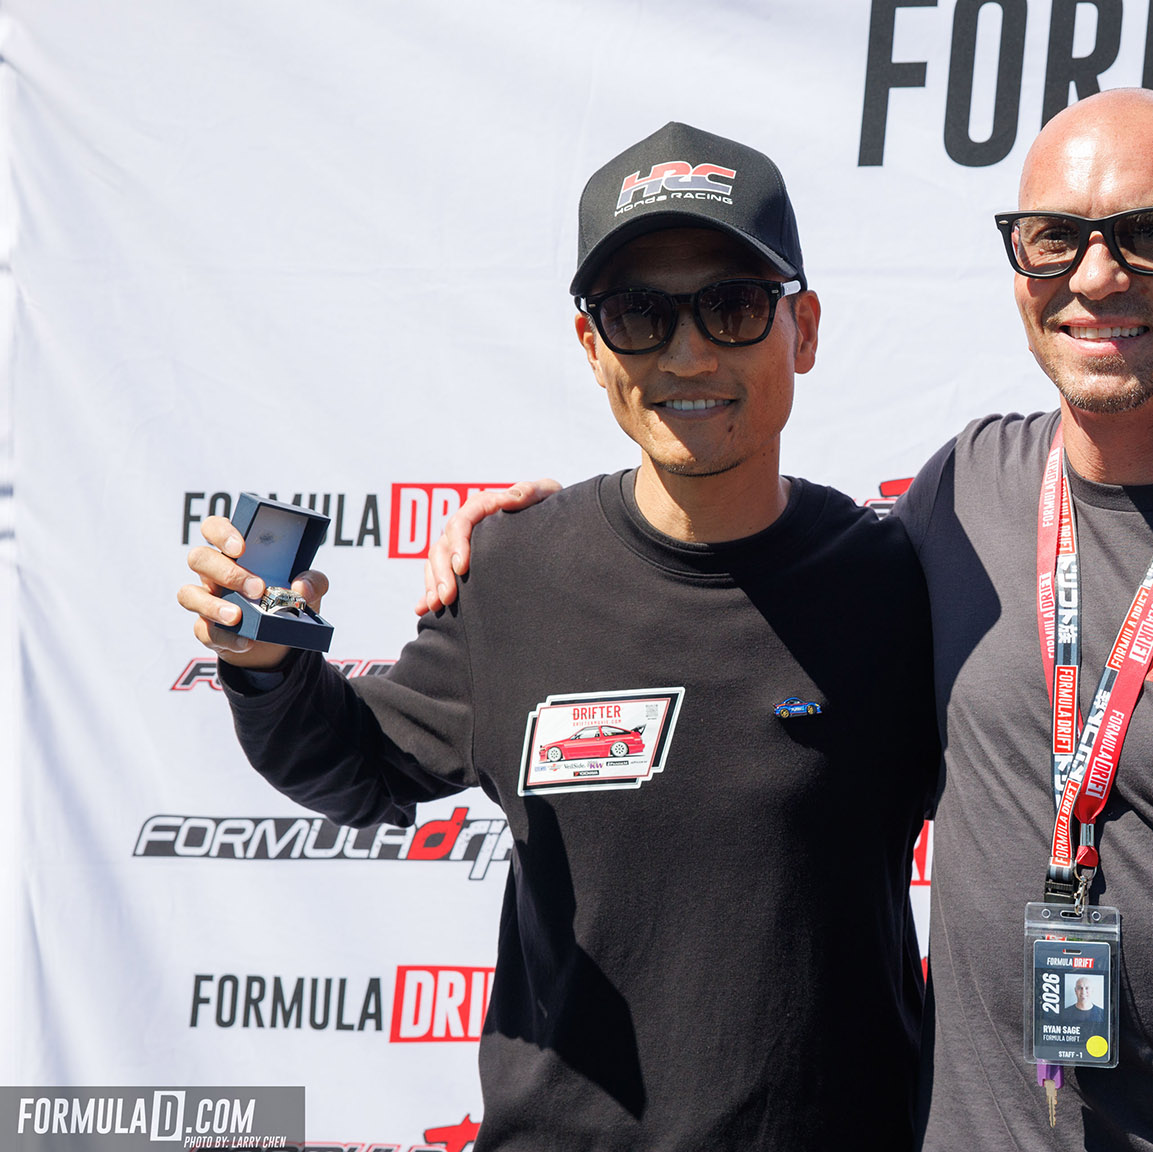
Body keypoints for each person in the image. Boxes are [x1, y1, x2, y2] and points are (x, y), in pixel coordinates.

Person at [425, 91, 1153, 1151]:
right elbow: (736, 577)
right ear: (1017, 269)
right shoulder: (963, 497)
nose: (1097, 276)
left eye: (1151, 235)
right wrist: (540, 544)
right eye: (1054, 239)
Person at [176, 121, 938, 1151]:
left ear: (802, 330)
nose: (687, 352)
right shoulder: (517, 572)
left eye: (732, 305)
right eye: (638, 313)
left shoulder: (900, 584)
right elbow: (354, 765)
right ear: (592, 349)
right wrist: (265, 663)